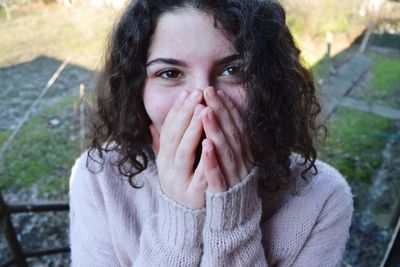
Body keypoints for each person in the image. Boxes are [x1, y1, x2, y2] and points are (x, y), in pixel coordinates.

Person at [69, 0, 353, 266]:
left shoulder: (323, 197)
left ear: (269, 81)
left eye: (233, 70)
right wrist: (179, 221)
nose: (203, 100)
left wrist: (233, 217)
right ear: (137, 88)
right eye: (169, 73)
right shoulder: (98, 178)